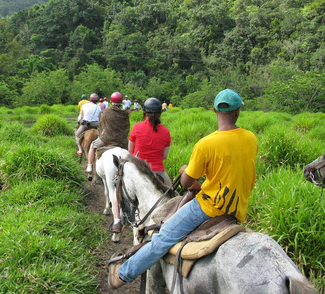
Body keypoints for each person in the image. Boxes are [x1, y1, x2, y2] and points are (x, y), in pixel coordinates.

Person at [108, 89, 258, 289]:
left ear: (214, 110)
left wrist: (184, 170)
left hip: (209, 208)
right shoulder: (251, 138)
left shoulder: (206, 144)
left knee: (162, 239)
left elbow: (187, 183)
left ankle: (123, 273)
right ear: (238, 111)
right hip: (238, 209)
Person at [85, 92, 130, 232]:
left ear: (110, 101)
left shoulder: (106, 111)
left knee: (92, 146)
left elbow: (102, 127)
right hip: (122, 142)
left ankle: (88, 166)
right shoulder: (125, 113)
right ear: (121, 101)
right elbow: (126, 128)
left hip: (106, 140)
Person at [128, 97, 172, 186]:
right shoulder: (166, 132)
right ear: (160, 114)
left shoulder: (136, 127)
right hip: (158, 170)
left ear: (144, 113)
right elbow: (164, 156)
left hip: (137, 168)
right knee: (172, 193)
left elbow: (130, 150)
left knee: (117, 191)